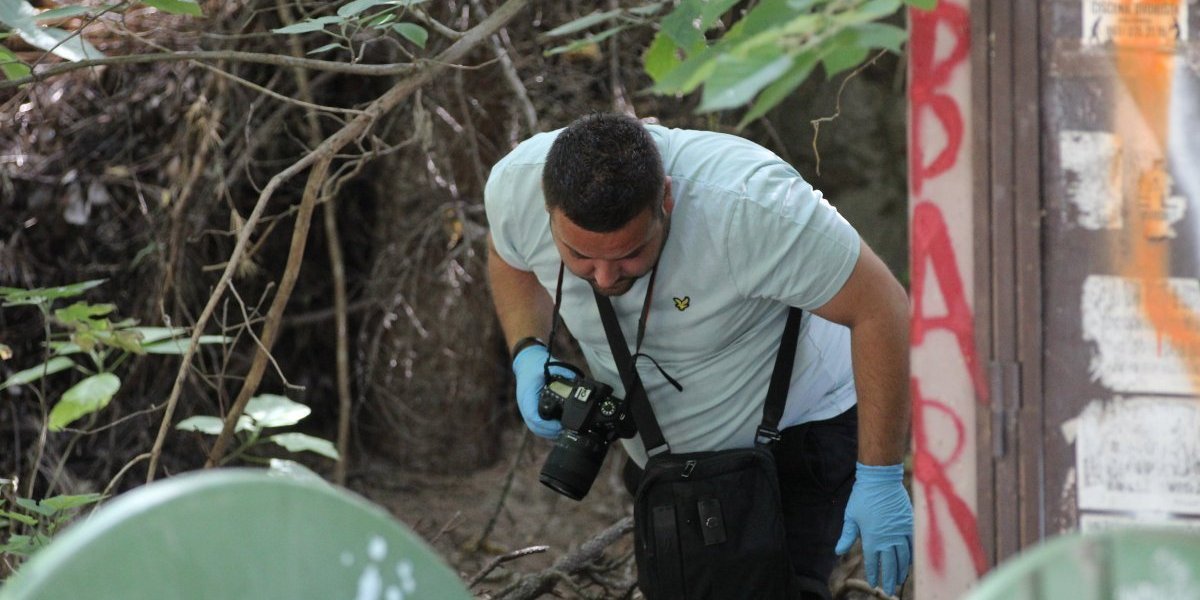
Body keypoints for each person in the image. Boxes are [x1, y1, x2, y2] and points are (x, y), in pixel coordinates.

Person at [484, 113, 913, 598]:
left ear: (665, 200)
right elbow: (507, 255)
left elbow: (884, 309)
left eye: (628, 254)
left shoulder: (752, 207)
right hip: (667, 461)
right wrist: (527, 350)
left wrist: (880, 477)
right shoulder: (516, 186)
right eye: (580, 256)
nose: (604, 278)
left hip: (797, 433)